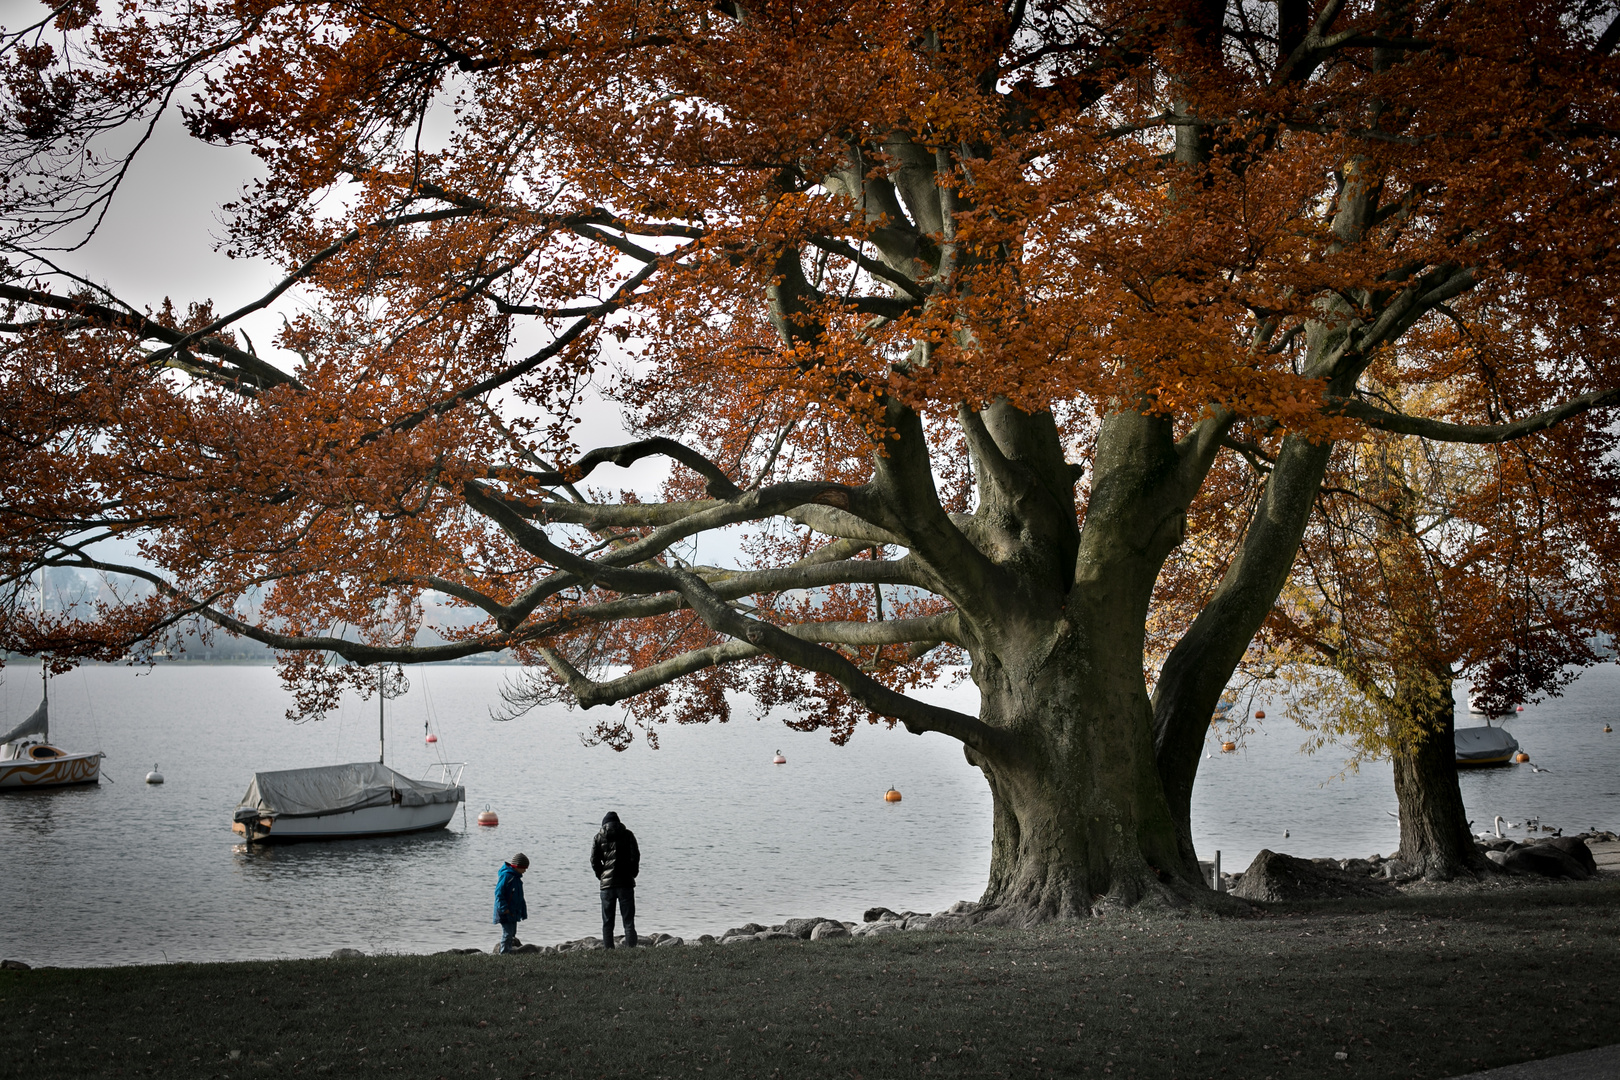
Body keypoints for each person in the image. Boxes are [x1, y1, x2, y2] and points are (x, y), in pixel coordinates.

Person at [591, 811, 640, 948]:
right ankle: (631, 949)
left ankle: (609, 950)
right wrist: (633, 873)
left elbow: (594, 861)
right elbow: (635, 856)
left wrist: (602, 876)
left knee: (607, 922)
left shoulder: (598, 837)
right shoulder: (628, 835)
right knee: (628, 921)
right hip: (625, 883)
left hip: (607, 886)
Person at [493, 852, 529, 954]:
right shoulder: (507, 876)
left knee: (512, 933)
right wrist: (504, 908)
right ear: (517, 866)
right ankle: (504, 953)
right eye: (524, 868)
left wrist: (523, 911)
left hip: (514, 911)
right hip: (504, 911)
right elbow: (498, 893)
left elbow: (520, 897)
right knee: (507, 933)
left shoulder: (517, 878)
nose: (525, 870)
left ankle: (508, 950)